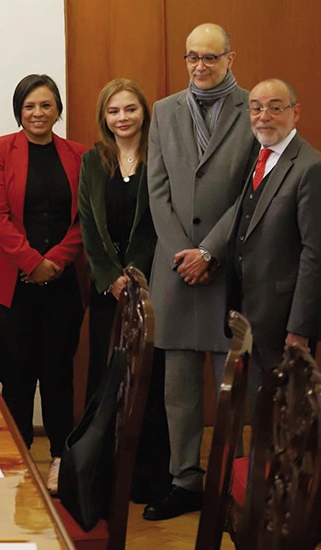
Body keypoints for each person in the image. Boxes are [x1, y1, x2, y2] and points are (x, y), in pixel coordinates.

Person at [142, 23, 255, 521]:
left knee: (234, 390)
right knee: (179, 390)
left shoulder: (253, 107)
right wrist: (184, 254)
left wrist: (208, 252)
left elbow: (253, 191)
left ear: (231, 58)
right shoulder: (164, 111)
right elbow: (157, 189)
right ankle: (185, 480)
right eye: (192, 57)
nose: (200, 67)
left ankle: (232, 485)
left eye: (211, 58)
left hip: (228, 269)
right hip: (175, 270)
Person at [0, 74, 87, 495]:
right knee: (15, 376)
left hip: (61, 285)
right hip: (10, 286)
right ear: (19, 110)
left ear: (58, 110)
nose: (38, 113)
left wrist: (54, 262)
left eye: (46, 105)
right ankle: (15, 459)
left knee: (57, 375)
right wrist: (32, 262)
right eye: (30, 106)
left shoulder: (78, 155)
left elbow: (83, 219)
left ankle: (59, 460)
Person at [76, 78, 170, 502]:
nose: (122, 118)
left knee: (150, 381)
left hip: (152, 289)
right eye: (114, 111)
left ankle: (149, 478)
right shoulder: (93, 161)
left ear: (144, 112)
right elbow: (88, 227)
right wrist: (111, 277)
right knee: (107, 379)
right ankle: (106, 477)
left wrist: (136, 276)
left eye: (130, 109)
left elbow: (161, 223)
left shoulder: (161, 157)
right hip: (107, 292)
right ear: (104, 118)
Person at [222, 79, 321, 398]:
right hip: (249, 316)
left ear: (296, 112)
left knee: (288, 425)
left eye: (275, 107)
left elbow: (314, 253)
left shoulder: (310, 167)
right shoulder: (259, 158)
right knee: (261, 419)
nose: (264, 115)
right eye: (256, 108)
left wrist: (300, 329)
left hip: (284, 325)